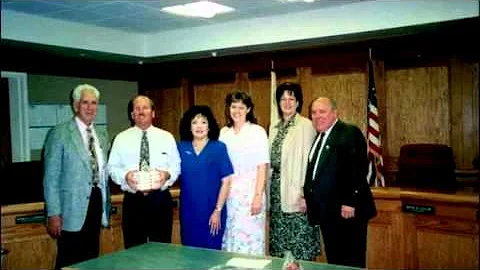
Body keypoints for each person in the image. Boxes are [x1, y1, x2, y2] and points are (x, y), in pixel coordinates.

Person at [303, 97, 377, 268]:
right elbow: (317, 173)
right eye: (313, 113)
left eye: (322, 112)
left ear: (334, 113)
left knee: (351, 261)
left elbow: (358, 169)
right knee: (335, 261)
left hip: (346, 212)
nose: (317, 116)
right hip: (329, 213)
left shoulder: (348, 132)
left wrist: (350, 202)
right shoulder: (321, 137)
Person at [43, 84, 110, 270]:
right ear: (75, 105)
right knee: (68, 260)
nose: (90, 107)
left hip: (96, 202)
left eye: (94, 103)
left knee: (91, 259)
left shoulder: (102, 134)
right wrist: (53, 213)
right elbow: (51, 177)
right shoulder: (59, 133)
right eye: (85, 103)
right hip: (70, 208)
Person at [108, 95, 181, 248]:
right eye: (137, 108)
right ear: (132, 114)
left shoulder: (167, 137)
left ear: (153, 113)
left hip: (160, 201)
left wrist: (166, 175)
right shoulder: (121, 139)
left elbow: (176, 166)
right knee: (134, 252)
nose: (141, 111)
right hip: (134, 202)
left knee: (162, 251)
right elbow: (112, 168)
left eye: (145, 108)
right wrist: (125, 176)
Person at [268, 82, 320, 260]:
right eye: (283, 99)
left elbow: (311, 165)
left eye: (292, 98)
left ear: (298, 102)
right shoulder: (274, 127)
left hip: (297, 195)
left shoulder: (306, 125)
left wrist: (306, 195)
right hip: (276, 194)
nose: (287, 103)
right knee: (281, 248)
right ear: (278, 102)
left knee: (300, 247)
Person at [219, 90, 270, 256]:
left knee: (250, 240)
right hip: (230, 195)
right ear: (229, 109)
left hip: (251, 195)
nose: (237, 111)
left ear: (248, 109)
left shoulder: (258, 132)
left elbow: (262, 166)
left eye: (242, 107)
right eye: (234, 107)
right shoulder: (223, 133)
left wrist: (257, 196)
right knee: (231, 238)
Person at [177, 105, 234, 249]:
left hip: (212, 213)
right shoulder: (181, 148)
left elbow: (226, 182)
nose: (199, 126)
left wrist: (218, 210)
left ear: (210, 126)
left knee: (211, 255)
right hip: (189, 211)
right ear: (189, 126)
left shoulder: (219, 147)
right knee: (189, 254)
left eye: (203, 122)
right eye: (195, 122)